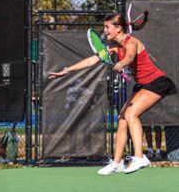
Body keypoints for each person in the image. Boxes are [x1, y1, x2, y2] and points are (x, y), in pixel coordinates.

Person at [49, 13, 176, 175]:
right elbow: (93, 60)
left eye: (107, 27)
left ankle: (140, 157)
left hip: (157, 82)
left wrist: (122, 62)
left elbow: (130, 56)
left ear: (118, 28)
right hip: (143, 85)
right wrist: (66, 70)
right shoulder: (113, 47)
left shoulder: (132, 42)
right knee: (122, 119)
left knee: (131, 114)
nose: (105, 30)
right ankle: (117, 162)